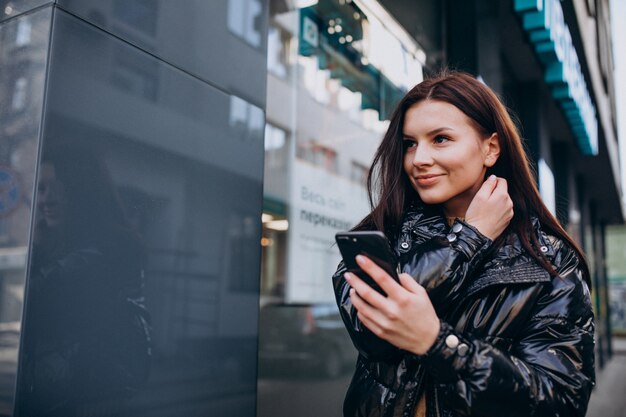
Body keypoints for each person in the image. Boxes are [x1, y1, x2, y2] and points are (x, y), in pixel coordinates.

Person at [332, 71, 595, 417]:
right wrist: (470, 237)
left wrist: (440, 345)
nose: (419, 159)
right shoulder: (385, 236)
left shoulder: (550, 260)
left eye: (440, 139)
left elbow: (560, 401)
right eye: (410, 143)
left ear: (491, 148)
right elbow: (369, 330)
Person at [18, 145, 151, 417]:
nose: (47, 200)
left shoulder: (101, 253)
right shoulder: (62, 247)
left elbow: (28, 299)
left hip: (79, 401)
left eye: (59, 187)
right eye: (41, 188)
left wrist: (34, 248)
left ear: (81, 191)